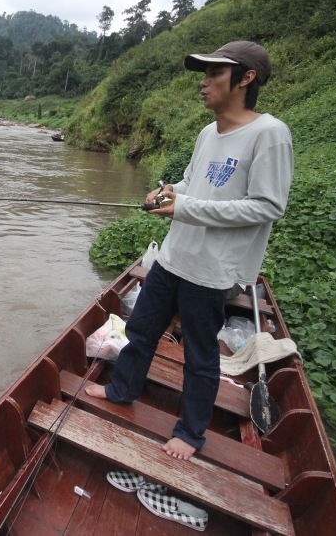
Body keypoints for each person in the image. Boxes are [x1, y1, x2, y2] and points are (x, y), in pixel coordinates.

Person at [85, 40, 293, 461]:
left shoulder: (269, 135)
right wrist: (168, 191)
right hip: (173, 258)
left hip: (211, 271)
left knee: (200, 354)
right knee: (140, 330)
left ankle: (192, 432)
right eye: (205, 74)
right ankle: (121, 390)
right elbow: (192, 185)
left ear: (246, 78)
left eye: (215, 74)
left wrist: (186, 205)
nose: (204, 83)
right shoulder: (207, 134)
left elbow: (269, 204)